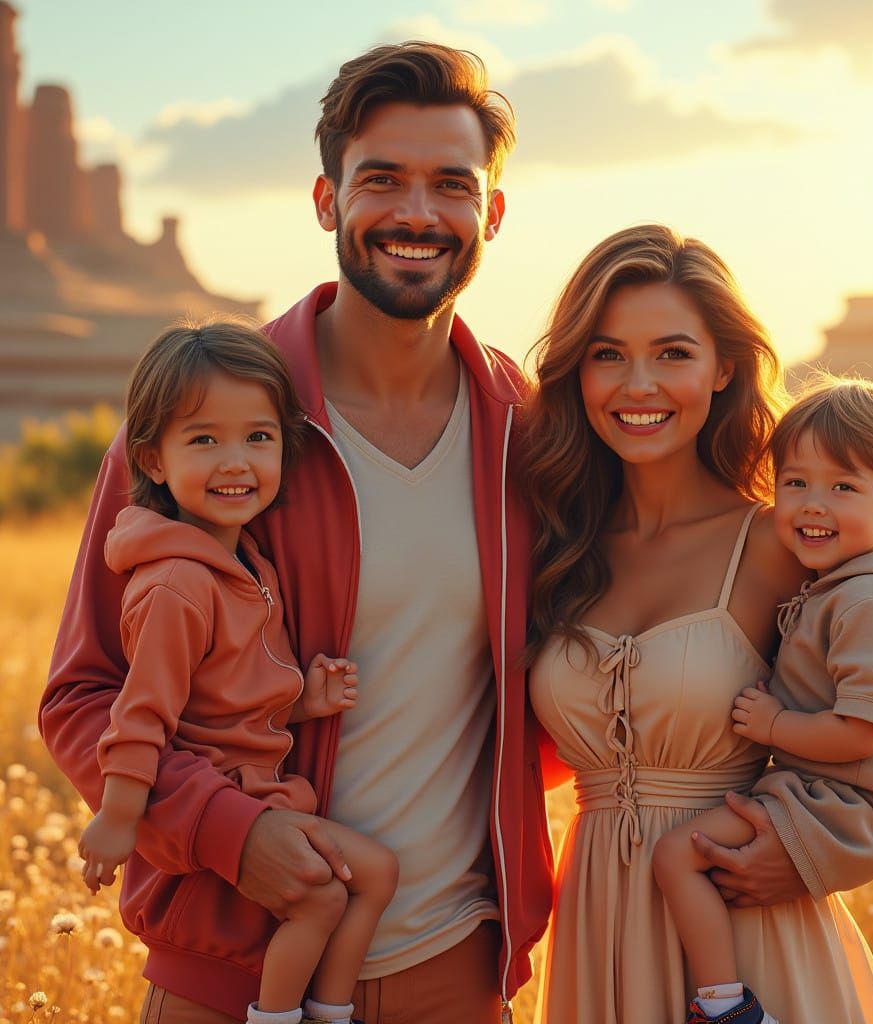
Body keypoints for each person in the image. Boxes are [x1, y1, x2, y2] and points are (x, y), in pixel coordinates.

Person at [42, 43, 554, 1024]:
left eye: (451, 184)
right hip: (235, 970)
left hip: (456, 968)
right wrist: (236, 834)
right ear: (326, 200)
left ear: (490, 212)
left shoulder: (524, 431)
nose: (416, 214)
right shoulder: (208, 423)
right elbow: (84, 692)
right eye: (382, 181)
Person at [521, 224, 873, 1024]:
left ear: (724, 366)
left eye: (673, 354)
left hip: (749, 943)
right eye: (607, 353)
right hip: (596, 931)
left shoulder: (781, 546)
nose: (637, 383)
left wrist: (803, 855)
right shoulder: (557, 547)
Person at [76, 320, 398, 1024]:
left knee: (375, 873)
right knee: (321, 898)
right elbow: (145, 712)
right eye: (203, 440)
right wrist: (119, 814)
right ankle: (277, 1017)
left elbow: (227, 693)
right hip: (235, 801)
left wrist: (302, 701)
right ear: (152, 462)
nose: (235, 463)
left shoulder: (247, 563)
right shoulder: (175, 586)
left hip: (269, 790)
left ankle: (327, 1010)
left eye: (259, 438)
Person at [652, 374, 873, 1024]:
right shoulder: (839, 586)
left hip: (834, 803)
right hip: (817, 790)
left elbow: (862, 734)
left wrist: (774, 723)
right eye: (795, 483)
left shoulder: (869, 602)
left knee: (678, 855)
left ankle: (727, 1007)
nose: (813, 504)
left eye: (843, 487)